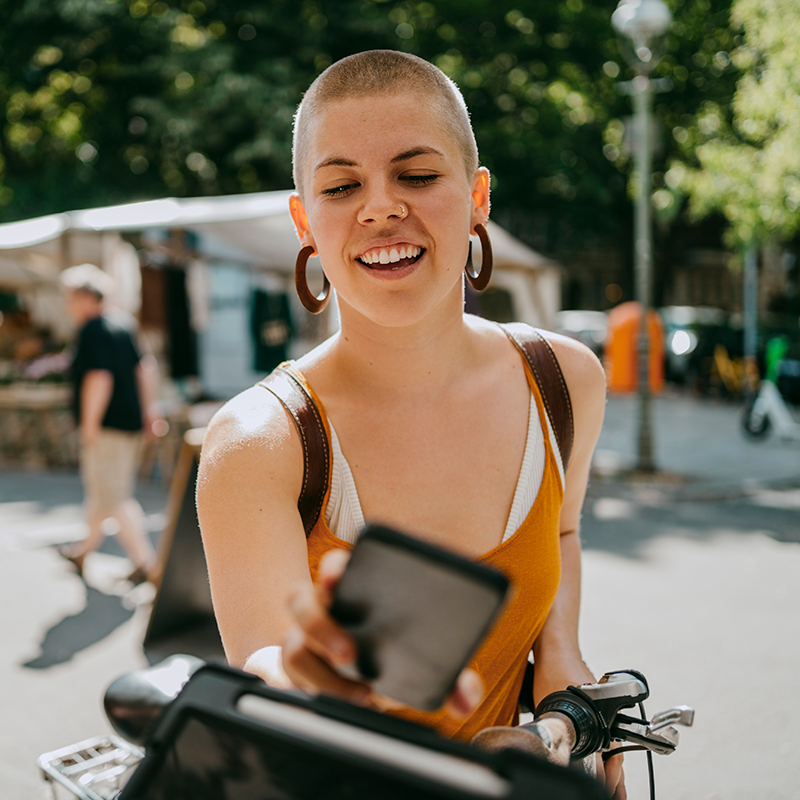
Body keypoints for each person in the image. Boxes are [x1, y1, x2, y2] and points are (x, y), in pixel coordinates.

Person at [197, 50, 622, 794]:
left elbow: (560, 530)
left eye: (417, 175)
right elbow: (266, 670)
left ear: (478, 195)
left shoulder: (565, 382)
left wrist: (563, 662)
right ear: (304, 219)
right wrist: (300, 681)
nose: (381, 206)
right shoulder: (259, 442)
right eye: (341, 185)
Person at [58, 263, 161, 585]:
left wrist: (89, 425)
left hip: (107, 427)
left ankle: (147, 563)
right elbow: (145, 369)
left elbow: (99, 379)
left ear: (87, 296)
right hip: (128, 423)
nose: (68, 304)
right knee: (102, 491)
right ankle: (83, 551)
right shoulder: (123, 324)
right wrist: (149, 413)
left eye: (71, 297)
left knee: (113, 497)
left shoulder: (92, 330)